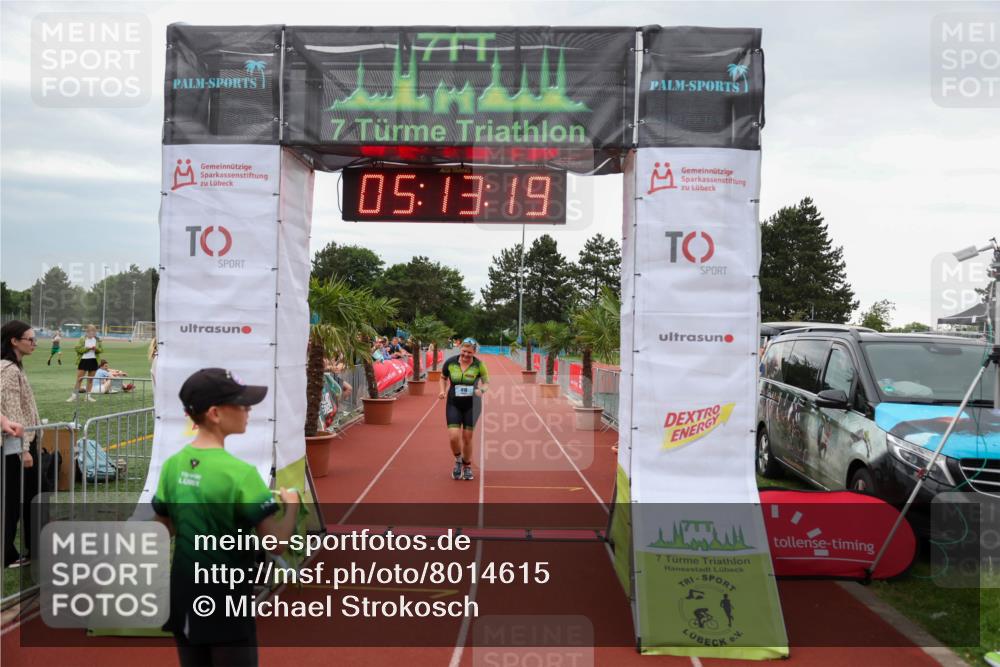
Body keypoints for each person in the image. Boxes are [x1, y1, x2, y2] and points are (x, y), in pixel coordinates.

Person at [152, 368, 300, 667]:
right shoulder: (242, 475)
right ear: (215, 413)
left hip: (183, 592)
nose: (247, 409)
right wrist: (292, 506)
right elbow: (276, 544)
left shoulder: (171, 466)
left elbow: (160, 528)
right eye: (241, 403)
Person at [1, 320, 40, 569]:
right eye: (30, 339)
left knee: (27, 498)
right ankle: (9, 554)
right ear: (14, 341)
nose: (34, 343)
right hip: (14, 447)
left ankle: (25, 551)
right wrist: (24, 449)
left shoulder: (15, 367)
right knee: (13, 502)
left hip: (19, 444)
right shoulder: (8, 370)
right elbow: (12, 411)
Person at [437, 338, 489, 481]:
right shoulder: (450, 362)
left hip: (472, 404)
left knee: (467, 437)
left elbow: (486, 383)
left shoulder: (479, 365)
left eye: (469, 353)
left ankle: (467, 466)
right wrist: (442, 390)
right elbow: (442, 377)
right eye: (464, 351)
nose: (466, 355)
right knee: (453, 436)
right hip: (453, 403)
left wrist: (482, 390)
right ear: (460, 348)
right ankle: (458, 460)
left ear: (474, 352)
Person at [67, 324, 103, 402]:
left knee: (90, 380)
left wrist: (96, 349)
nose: (92, 333)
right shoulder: (82, 339)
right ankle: (74, 396)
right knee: (79, 379)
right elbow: (77, 349)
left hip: (93, 361)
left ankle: (88, 396)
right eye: (90, 331)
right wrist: (86, 349)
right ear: (87, 332)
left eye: (93, 331)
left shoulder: (97, 340)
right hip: (83, 360)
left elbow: (101, 350)